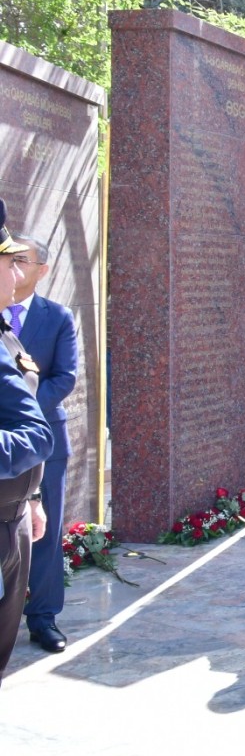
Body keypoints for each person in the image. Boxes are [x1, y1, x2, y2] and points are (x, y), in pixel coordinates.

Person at [11, 236, 78, 653]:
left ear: (42, 270)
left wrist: (15, 407)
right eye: (8, 259)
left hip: (45, 439)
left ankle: (43, 618)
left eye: (21, 259)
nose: (13, 266)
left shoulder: (57, 317)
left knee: (45, 531)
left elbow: (64, 377)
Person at [0, 200, 52, 684]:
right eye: (8, 263)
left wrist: (33, 496)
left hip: (13, 511)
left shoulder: (6, 336)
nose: (15, 273)